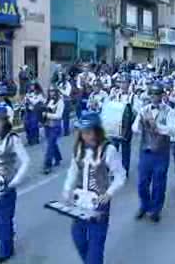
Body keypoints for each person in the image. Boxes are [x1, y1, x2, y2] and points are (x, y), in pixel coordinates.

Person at [62, 112, 126, 264]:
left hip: (99, 203)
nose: (86, 136)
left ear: (98, 131)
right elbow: (73, 170)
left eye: (90, 132)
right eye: (83, 132)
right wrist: (67, 190)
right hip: (80, 202)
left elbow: (120, 175)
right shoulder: (79, 148)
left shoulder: (108, 150)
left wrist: (109, 193)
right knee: (77, 236)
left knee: (96, 243)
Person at [0, 105, 29, 263]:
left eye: (0, 121)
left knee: (5, 218)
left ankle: (6, 250)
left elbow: (26, 161)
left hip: (7, 184)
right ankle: (4, 238)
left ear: (6, 122)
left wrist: (15, 182)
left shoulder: (13, 139)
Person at [133, 82, 175, 222]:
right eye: (152, 94)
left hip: (161, 153)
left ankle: (156, 209)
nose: (154, 97)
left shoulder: (169, 111)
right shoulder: (143, 109)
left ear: (162, 95)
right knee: (142, 183)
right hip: (146, 151)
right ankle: (145, 205)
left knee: (159, 184)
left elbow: (172, 130)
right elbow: (135, 128)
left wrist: (156, 126)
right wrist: (140, 124)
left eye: (157, 94)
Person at [42, 85, 64, 174]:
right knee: (52, 144)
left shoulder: (60, 102)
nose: (52, 93)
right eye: (50, 91)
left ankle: (47, 165)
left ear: (56, 92)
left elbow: (59, 115)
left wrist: (47, 115)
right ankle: (58, 157)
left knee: (50, 145)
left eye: (53, 91)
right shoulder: (48, 100)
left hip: (55, 126)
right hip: (47, 125)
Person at [23, 81, 44, 145]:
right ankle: (29, 139)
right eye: (30, 85)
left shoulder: (39, 94)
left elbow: (35, 102)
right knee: (26, 125)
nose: (31, 86)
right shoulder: (28, 93)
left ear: (35, 86)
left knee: (34, 126)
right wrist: (25, 101)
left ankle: (35, 139)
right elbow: (25, 101)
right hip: (28, 111)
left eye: (33, 85)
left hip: (35, 111)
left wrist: (28, 99)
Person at [57, 72, 72, 136]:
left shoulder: (68, 84)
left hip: (66, 102)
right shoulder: (59, 83)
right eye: (58, 76)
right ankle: (59, 131)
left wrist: (60, 90)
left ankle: (66, 131)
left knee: (66, 117)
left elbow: (67, 93)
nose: (59, 77)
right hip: (60, 101)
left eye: (60, 76)